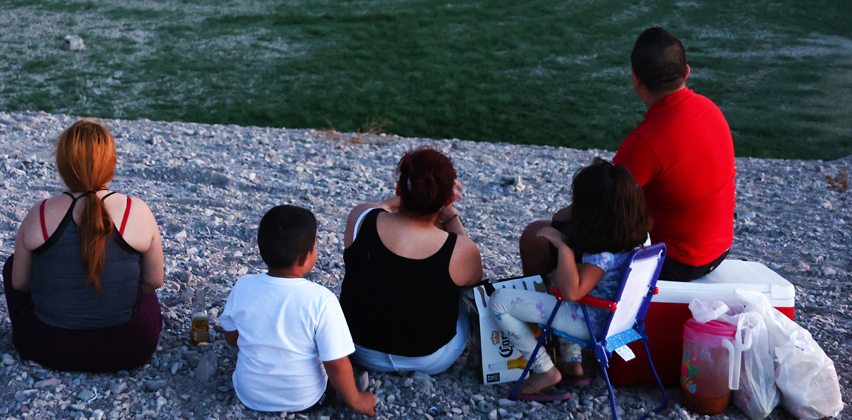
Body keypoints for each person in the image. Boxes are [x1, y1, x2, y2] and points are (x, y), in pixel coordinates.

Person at [519, 27, 735, 283]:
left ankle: (549, 313)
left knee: (535, 236)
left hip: (676, 262)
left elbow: (597, 208)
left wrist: (556, 221)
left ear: (635, 80)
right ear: (686, 71)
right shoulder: (710, 110)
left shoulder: (646, 142)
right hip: (718, 250)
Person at [4, 119, 163, 372]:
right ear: (111, 163)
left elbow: (21, 284)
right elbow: (154, 280)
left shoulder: (41, 212)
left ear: (63, 166)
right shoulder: (137, 210)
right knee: (141, 280)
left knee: (13, 265)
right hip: (128, 349)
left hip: (45, 347)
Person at [490, 159, 653, 401]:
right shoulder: (640, 240)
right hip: (622, 321)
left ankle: (544, 369)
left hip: (591, 323)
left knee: (500, 302)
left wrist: (563, 246)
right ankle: (572, 360)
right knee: (556, 275)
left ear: (589, 211)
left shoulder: (602, 255)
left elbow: (571, 292)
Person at [338, 148, 484, 374]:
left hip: (358, 349)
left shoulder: (361, 218)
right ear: (447, 199)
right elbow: (472, 278)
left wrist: (402, 197)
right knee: (463, 292)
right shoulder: (463, 250)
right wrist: (451, 216)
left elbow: (380, 210)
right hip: (429, 359)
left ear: (399, 188)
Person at [219, 205, 376, 416]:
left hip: (249, 394)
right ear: (305, 258)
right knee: (337, 371)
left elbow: (232, 338)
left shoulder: (243, 287)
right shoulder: (322, 299)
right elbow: (336, 363)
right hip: (306, 399)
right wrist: (356, 400)